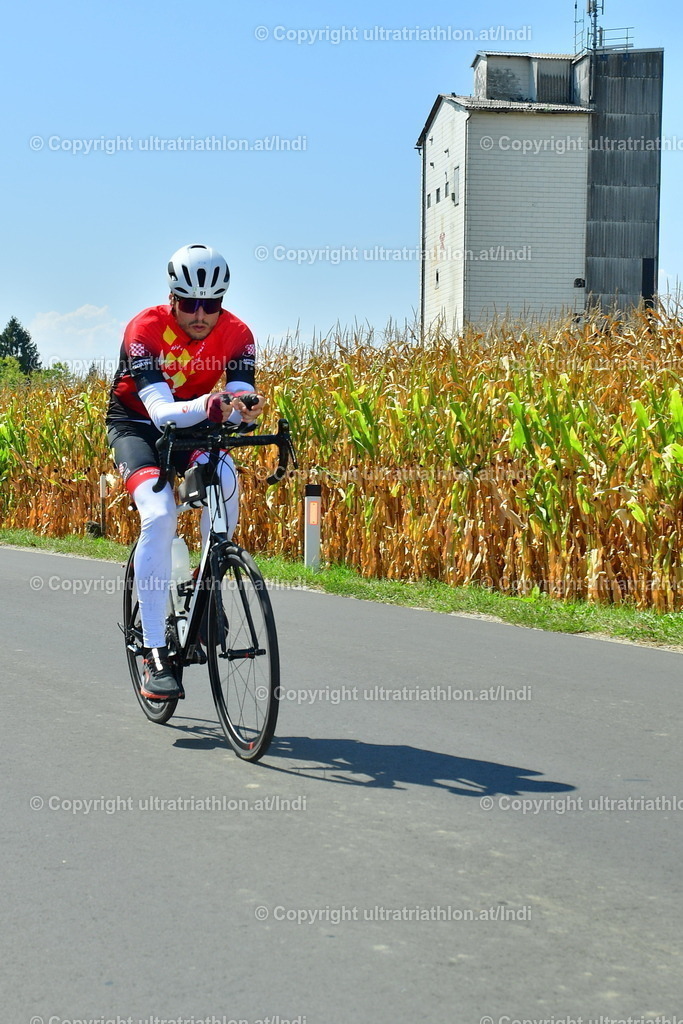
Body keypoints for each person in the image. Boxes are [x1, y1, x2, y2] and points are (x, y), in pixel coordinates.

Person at [106, 243, 264, 700]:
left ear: (222, 302)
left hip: (195, 423)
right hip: (138, 425)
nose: (200, 314)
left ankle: (205, 584)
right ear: (172, 297)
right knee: (158, 515)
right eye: (189, 304)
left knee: (228, 478)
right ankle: (156, 651)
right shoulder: (145, 330)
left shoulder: (237, 334)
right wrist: (214, 407)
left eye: (210, 304)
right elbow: (161, 414)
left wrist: (243, 410)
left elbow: (237, 401)